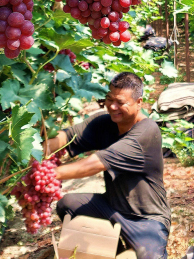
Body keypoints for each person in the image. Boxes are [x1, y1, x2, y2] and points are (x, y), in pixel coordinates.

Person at [46, 72, 170, 259]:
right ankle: (114, 250)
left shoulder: (146, 132)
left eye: (120, 102)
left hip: (145, 219)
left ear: (139, 102)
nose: (112, 107)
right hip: (112, 207)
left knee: (148, 257)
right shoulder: (105, 123)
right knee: (68, 205)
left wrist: (47, 174)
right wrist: (38, 152)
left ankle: (136, 248)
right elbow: (68, 136)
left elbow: (96, 163)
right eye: (109, 99)